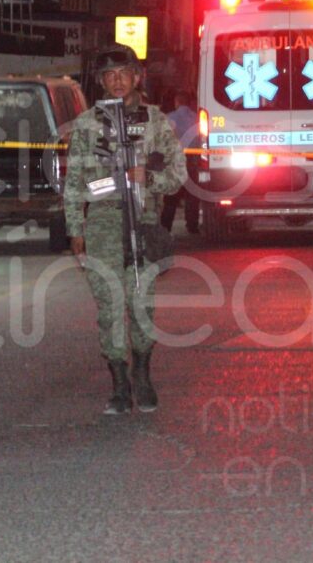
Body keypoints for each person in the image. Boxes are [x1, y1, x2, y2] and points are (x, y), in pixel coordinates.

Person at [64, 44, 187, 415]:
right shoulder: (87, 125)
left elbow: (178, 176)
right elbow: (73, 182)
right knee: (110, 306)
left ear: (137, 76)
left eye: (123, 74)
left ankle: (143, 375)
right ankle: (119, 384)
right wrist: (75, 230)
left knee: (141, 305)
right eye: (109, 76)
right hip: (102, 222)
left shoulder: (156, 122)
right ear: (101, 82)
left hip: (144, 220)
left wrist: (146, 176)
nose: (117, 82)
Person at [160, 90, 201, 234]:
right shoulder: (196, 118)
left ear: (176, 102)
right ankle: (192, 226)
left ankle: (166, 226)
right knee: (192, 195)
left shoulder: (169, 118)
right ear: (189, 103)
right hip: (193, 160)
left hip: (175, 160)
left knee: (171, 196)